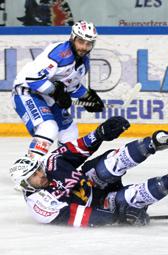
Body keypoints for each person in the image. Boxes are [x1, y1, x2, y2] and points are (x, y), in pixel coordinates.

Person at [9, 116, 168, 227]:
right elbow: (78, 216)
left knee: (110, 165)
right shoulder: (39, 206)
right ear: (24, 185)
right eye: (33, 176)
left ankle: (153, 143)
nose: (41, 174)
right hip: (99, 206)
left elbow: (78, 148)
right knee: (129, 199)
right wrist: (119, 218)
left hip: (93, 181)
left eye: (38, 169)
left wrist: (99, 133)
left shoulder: (51, 162)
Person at [12, 20, 104, 158]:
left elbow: (71, 86)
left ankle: (60, 169)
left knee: (69, 132)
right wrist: (55, 92)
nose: (84, 47)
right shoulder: (59, 53)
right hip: (26, 91)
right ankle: (30, 174)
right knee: (49, 128)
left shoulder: (83, 62)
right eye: (81, 41)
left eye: (88, 43)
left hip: (47, 96)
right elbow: (32, 79)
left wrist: (87, 96)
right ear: (72, 38)